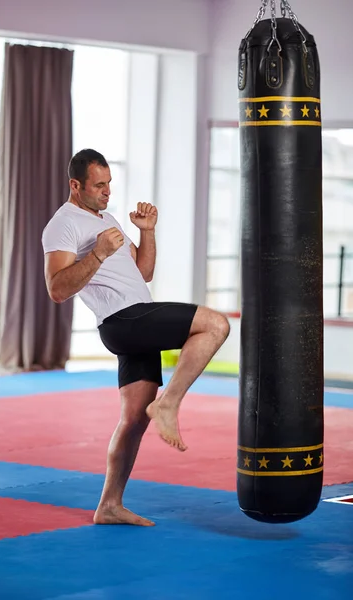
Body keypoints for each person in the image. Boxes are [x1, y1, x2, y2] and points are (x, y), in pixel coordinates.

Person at [42, 149, 230, 526]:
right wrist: (96, 254)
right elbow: (57, 290)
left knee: (132, 421)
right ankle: (169, 404)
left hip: (136, 320)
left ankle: (109, 504)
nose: (107, 191)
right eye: (99, 185)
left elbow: (142, 272)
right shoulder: (62, 225)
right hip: (122, 321)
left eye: (109, 183)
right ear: (75, 185)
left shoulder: (107, 218)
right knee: (215, 324)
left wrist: (147, 232)